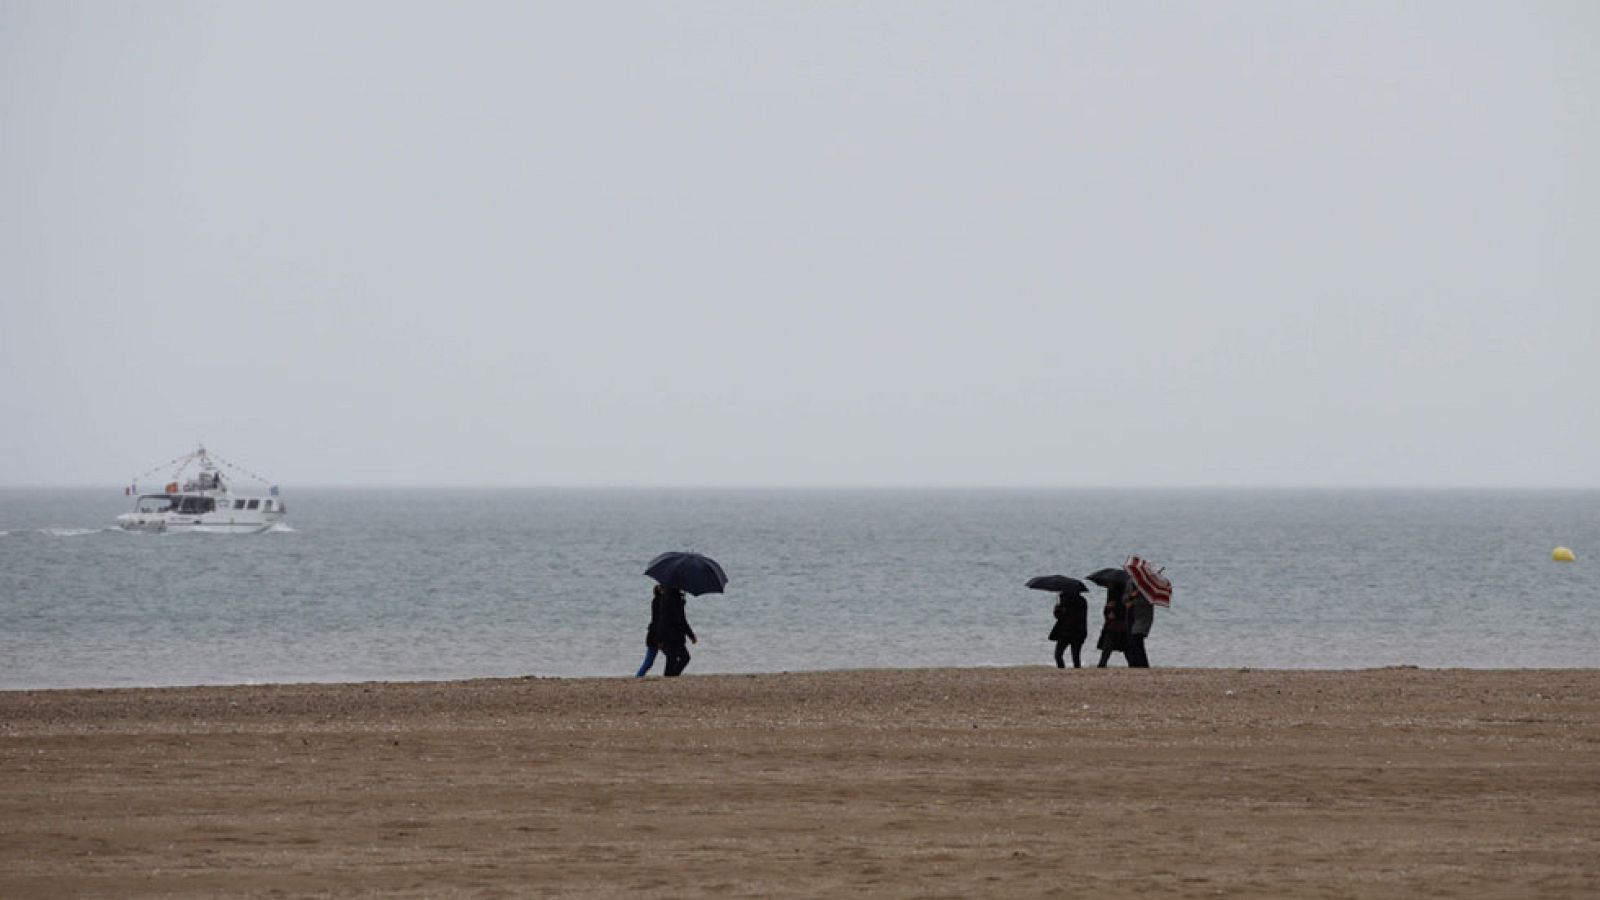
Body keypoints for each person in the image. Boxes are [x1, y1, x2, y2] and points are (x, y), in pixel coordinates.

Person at [657, 586, 697, 677]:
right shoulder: (670, 600)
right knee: (676, 658)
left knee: (678, 658)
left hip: (674, 635)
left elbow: (681, 620)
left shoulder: (671, 599)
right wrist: (691, 635)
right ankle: (670, 677)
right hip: (672, 635)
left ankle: (671, 677)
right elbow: (679, 620)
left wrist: (690, 635)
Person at [1048, 588, 1088, 668]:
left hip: (1065, 631)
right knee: (1076, 656)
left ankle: (1061, 668)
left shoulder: (1065, 601)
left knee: (1058, 654)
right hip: (1079, 632)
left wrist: (1057, 610)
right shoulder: (1082, 601)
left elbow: (1060, 617)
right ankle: (1076, 672)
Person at [1095, 582, 1129, 668]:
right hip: (1118, 625)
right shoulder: (1123, 592)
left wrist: (1110, 610)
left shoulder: (1115, 593)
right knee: (1125, 648)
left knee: (1108, 647)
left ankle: (1102, 665)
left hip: (1115, 625)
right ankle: (1102, 664)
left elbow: (1112, 609)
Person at [635, 585, 664, 677]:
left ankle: (639, 675)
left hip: (654, 635)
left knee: (649, 661)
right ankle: (638, 676)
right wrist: (659, 640)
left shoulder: (657, 601)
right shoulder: (659, 602)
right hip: (655, 636)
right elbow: (659, 621)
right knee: (649, 661)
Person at [1125, 586, 1155, 668]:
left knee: (1137, 639)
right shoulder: (1130, 584)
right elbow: (1125, 598)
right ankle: (1136, 664)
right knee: (1133, 642)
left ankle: (1143, 664)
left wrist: (1133, 601)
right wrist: (1130, 597)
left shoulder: (1148, 590)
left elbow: (1146, 602)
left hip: (1143, 618)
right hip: (1132, 618)